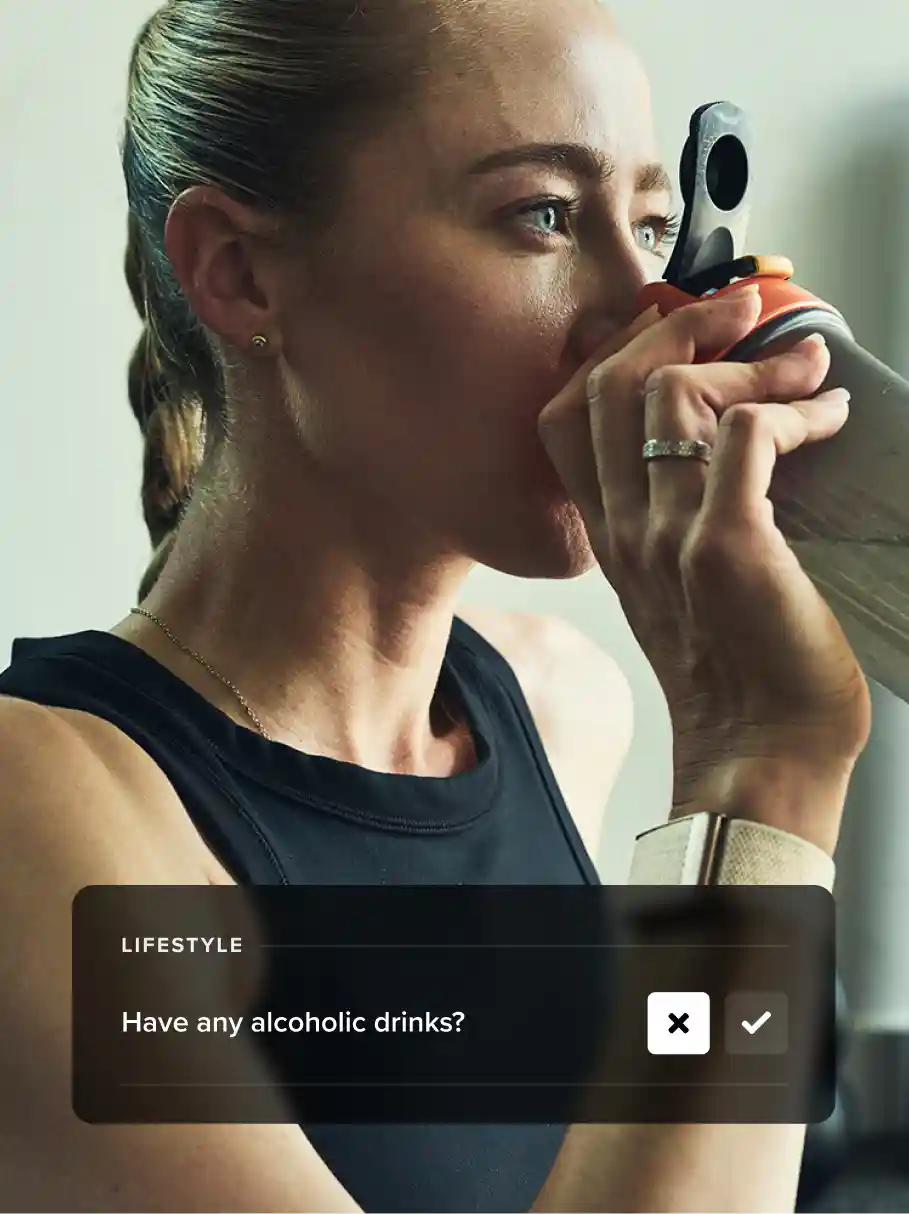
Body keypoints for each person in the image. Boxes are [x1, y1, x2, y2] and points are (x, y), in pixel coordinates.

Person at [0, 0, 871, 1210]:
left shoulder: (562, 709)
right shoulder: (37, 808)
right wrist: (760, 770)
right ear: (239, 272)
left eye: (651, 225)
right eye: (543, 215)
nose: (643, 312)